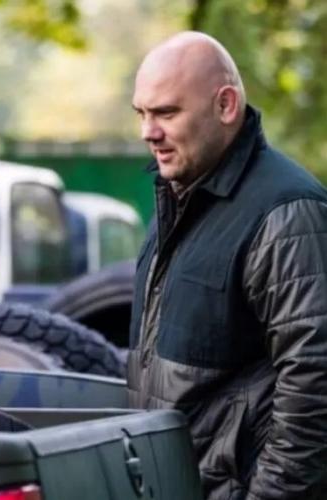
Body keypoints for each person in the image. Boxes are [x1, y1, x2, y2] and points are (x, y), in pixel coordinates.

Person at [129, 31, 327, 499]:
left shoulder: (287, 212)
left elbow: (315, 385)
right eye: (141, 113)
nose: (148, 132)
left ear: (226, 105)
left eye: (166, 113)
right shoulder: (178, 199)